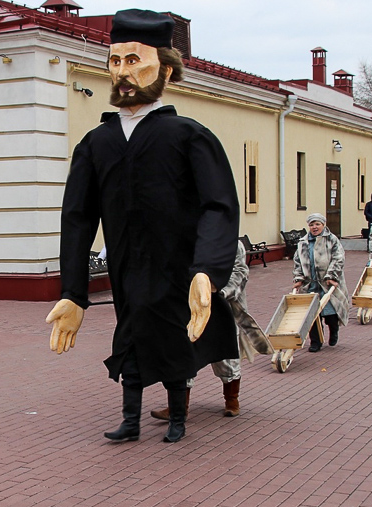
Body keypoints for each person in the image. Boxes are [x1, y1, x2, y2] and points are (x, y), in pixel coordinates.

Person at [46, 9, 240, 444]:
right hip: (127, 272)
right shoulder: (97, 143)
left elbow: (219, 205)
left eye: (134, 61)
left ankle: (177, 420)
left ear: (166, 70)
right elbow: (77, 219)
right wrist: (73, 292)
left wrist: (206, 269)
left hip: (177, 271)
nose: (122, 73)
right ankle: (130, 420)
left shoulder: (188, 136)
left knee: (174, 341)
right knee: (128, 335)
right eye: (115, 62)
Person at [150, 241, 270, 421]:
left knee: (226, 357)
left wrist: (217, 291)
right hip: (191, 308)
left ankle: (232, 401)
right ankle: (179, 407)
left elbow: (240, 272)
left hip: (223, 307)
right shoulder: (187, 238)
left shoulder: (231, 243)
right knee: (184, 355)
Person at [293, 213, 348, 351]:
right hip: (310, 283)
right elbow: (298, 262)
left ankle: (334, 330)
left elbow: (338, 258)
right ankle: (315, 342)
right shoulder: (303, 242)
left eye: (317, 224)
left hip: (327, 282)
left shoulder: (331, 240)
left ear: (323, 225)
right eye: (311, 225)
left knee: (330, 312)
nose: (314, 227)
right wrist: (299, 278)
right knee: (311, 315)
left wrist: (331, 275)